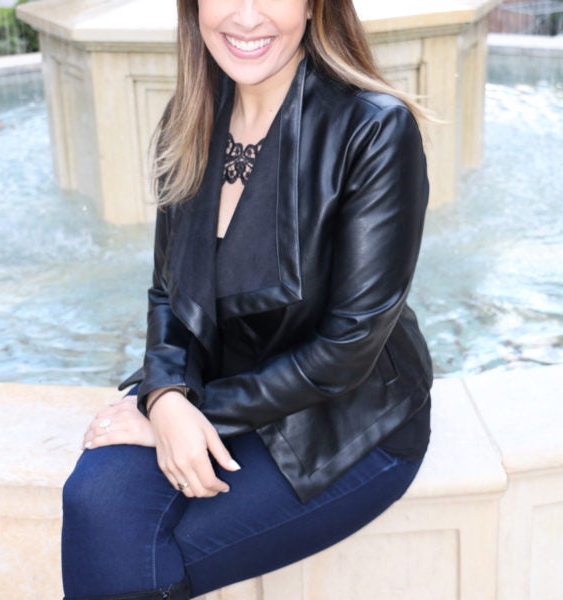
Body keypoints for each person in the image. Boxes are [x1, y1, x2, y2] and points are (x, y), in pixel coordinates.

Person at [61, 0, 433, 598]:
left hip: (343, 423)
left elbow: (348, 348)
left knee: (127, 553)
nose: (247, 15)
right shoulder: (189, 115)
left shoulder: (373, 128)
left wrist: (193, 415)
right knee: (94, 500)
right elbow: (168, 290)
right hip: (215, 383)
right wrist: (165, 395)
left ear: (313, 6)